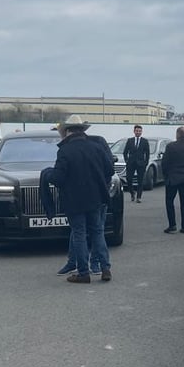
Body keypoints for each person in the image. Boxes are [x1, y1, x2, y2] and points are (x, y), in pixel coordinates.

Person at [44, 115, 114, 284]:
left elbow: (59, 178)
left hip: (74, 200)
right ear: (82, 130)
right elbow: (109, 170)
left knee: (79, 234)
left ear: (68, 131)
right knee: (98, 232)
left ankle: (83, 273)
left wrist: (47, 174)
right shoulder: (96, 147)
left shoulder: (65, 151)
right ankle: (105, 268)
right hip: (95, 198)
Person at [123, 125, 150, 202]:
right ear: (134, 131)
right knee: (129, 179)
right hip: (131, 163)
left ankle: (138, 197)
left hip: (141, 164)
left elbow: (147, 153)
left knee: (140, 180)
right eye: (137, 131)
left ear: (141, 132)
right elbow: (125, 152)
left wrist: (146, 163)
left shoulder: (145, 141)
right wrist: (127, 161)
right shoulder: (130, 140)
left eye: (139, 131)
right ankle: (132, 193)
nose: (138, 132)